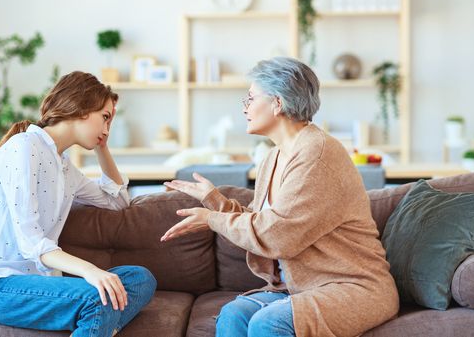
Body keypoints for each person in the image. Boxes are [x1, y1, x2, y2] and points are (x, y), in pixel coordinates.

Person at [161, 57, 399, 337]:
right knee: (233, 315)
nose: (245, 108)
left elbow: (277, 236)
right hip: (301, 288)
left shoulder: (316, 154)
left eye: (250, 98)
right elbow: (262, 222)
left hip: (353, 287)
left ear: (277, 103)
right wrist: (213, 200)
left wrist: (213, 219)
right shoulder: (274, 156)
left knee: (268, 323)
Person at [0, 71, 156, 337]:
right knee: (96, 296)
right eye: (105, 117)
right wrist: (90, 271)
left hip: (41, 283)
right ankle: (100, 319)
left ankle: (101, 323)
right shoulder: (23, 148)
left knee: (140, 279)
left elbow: (117, 203)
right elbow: (31, 243)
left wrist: (103, 147)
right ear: (82, 108)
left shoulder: (65, 167)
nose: (106, 128)